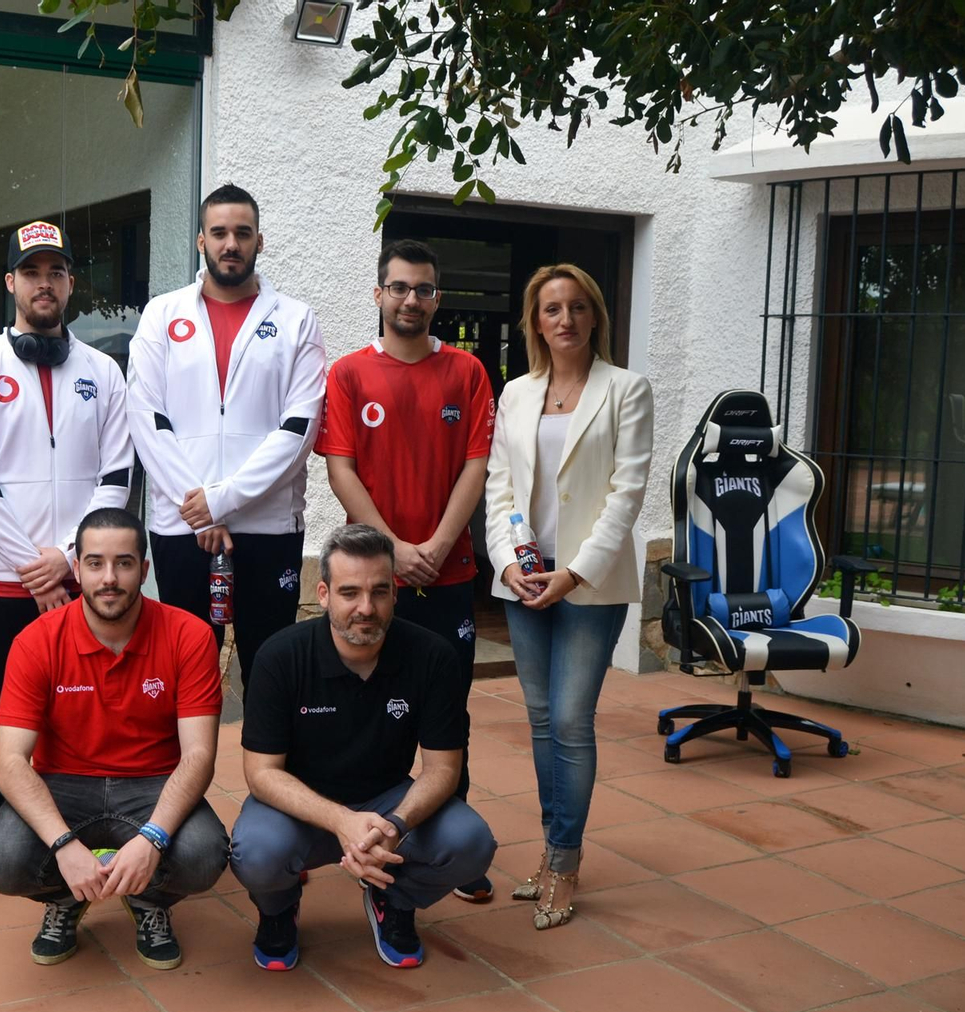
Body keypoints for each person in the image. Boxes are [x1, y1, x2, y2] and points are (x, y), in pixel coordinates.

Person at [0, 220, 133, 903]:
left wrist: (68, 558)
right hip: (4, 580)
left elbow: (116, 475)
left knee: (86, 711)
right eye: (31, 272)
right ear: (11, 283)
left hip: (85, 578)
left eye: (55, 271)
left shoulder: (103, 372)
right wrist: (37, 565)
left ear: (71, 283)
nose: (44, 283)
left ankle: (93, 827)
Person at [316, 238, 495, 902]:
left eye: (423, 289)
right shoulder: (348, 374)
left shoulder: (467, 372)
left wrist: (440, 545)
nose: (410, 299)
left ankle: (453, 847)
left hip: (449, 573)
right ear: (378, 294)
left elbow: (476, 466)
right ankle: (354, 837)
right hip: (375, 580)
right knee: (364, 710)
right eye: (399, 287)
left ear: (436, 299)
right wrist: (392, 551)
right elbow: (340, 469)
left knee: (448, 713)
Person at [230, 524, 496, 971]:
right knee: (256, 853)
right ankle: (278, 909)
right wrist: (341, 820)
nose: (366, 608)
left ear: (395, 593)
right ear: (324, 594)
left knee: (472, 844)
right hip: (302, 806)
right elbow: (261, 773)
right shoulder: (280, 657)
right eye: (349, 592)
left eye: (379, 592)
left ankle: (394, 899)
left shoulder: (432, 656)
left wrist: (395, 824)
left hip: (387, 801)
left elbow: (443, 770)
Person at [0, 507, 229, 971]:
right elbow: (8, 763)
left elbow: (199, 755)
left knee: (204, 854)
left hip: (153, 782)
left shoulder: (190, 635)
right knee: (1, 859)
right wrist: (64, 848)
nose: (109, 578)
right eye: (95, 563)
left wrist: (153, 839)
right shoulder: (36, 641)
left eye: (124, 563)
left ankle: (150, 899)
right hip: (63, 782)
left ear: (144, 570)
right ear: (77, 570)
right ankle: (67, 895)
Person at [483, 263, 653, 930]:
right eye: (552, 308)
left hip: (589, 581)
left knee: (572, 721)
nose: (566, 319)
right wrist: (506, 563)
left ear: (595, 316)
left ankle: (564, 861)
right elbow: (499, 488)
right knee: (540, 718)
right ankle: (552, 846)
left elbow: (626, 495)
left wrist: (575, 573)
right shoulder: (517, 393)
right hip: (525, 577)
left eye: (578, 307)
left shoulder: (626, 389)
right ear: (536, 321)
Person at [127, 184, 326, 692]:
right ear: (201, 241)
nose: (230, 244)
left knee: (271, 672)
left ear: (260, 240)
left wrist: (221, 501)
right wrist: (202, 507)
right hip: (182, 525)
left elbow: (299, 428)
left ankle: (266, 750)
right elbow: (147, 418)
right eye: (218, 233)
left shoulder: (296, 320)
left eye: (242, 233)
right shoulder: (162, 314)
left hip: (268, 525)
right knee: (186, 673)